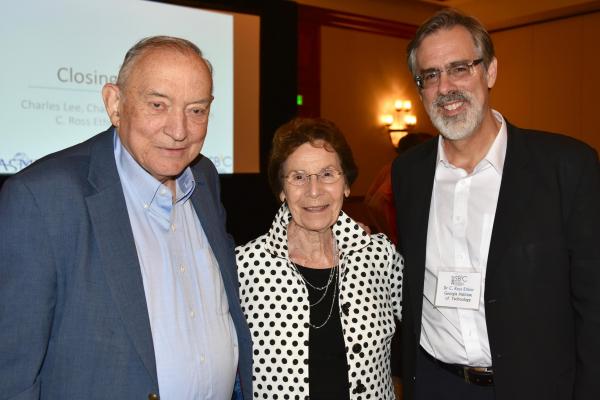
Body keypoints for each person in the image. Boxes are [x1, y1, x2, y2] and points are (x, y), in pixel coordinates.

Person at [0, 36, 251, 399]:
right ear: (114, 104)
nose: (179, 130)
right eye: (157, 104)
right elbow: (12, 375)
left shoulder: (205, 177)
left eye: (196, 110)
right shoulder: (44, 197)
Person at [391, 8, 600, 400]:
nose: (446, 87)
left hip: (536, 386)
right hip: (437, 384)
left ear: (490, 72)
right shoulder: (408, 173)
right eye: (430, 75)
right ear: (419, 90)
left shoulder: (566, 166)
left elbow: (594, 306)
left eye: (460, 68)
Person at [236, 117, 404, 399]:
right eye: (298, 177)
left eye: (327, 174)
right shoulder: (244, 266)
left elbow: (429, 327)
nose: (314, 191)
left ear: (347, 185)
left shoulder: (379, 257)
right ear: (281, 190)